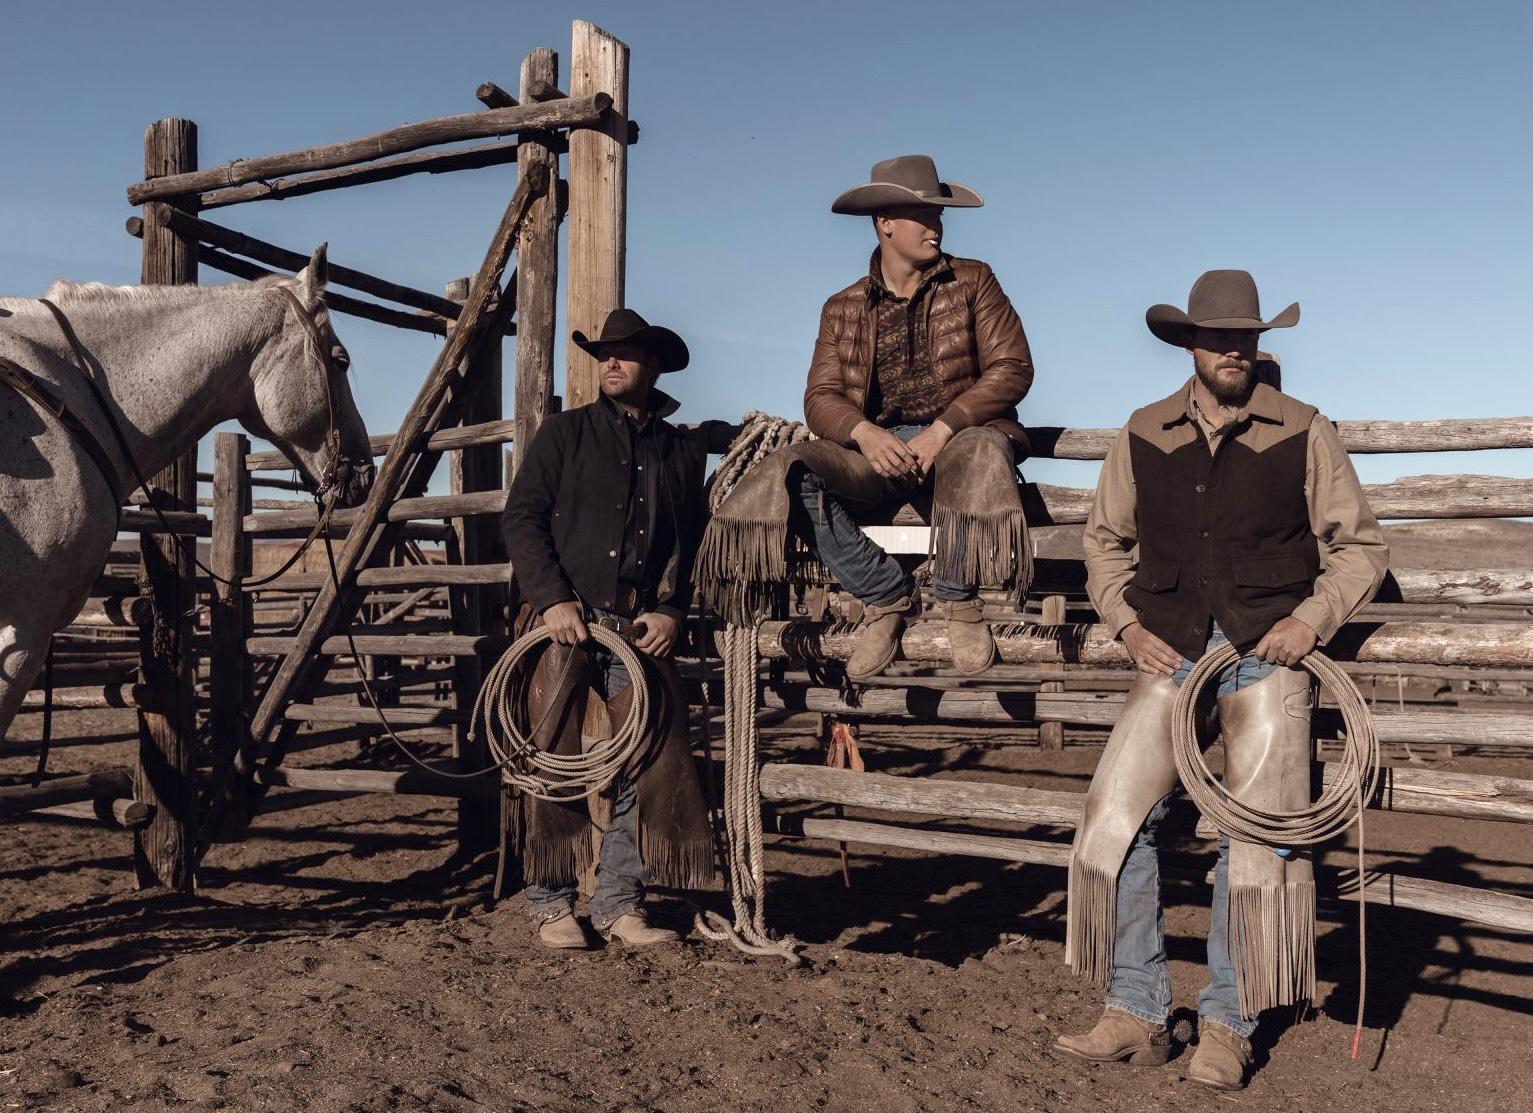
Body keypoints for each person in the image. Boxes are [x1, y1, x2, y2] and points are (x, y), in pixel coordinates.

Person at [1055, 270, 1388, 1089]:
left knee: (1259, 830)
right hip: (1168, 649)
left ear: (1260, 342)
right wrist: (1127, 624)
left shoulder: (1301, 429)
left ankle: (1229, 1020)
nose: (1231, 348)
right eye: (1216, 336)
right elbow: (1103, 543)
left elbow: (1360, 547)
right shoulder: (1143, 432)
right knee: (1112, 817)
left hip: (1266, 652)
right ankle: (1134, 1007)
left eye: (1244, 335)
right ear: (1188, 344)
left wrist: (1308, 620)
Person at [500, 309, 713, 949]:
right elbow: (523, 519)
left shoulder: (679, 451)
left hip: (637, 626)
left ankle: (621, 903)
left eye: (624, 354)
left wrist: (674, 610)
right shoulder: (565, 434)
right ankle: (551, 903)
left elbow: (692, 543)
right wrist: (551, 599)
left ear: (652, 366)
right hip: (563, 621)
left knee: (644, 757)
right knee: (554, 755)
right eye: (604, 354)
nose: (610, 363)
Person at [799, 154, 1036, 679]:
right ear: (884, 223)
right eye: (923, 215)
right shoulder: (841, 307)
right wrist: (864, 433)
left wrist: (943, 429)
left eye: (939, 216)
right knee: (798, 475)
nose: (937, 226)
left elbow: (1013, 367)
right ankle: (887, 596)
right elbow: (820, 397)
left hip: (961, 438)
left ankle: (957, 598)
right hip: (880, 451)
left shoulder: (974, 281)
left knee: (980, 448)